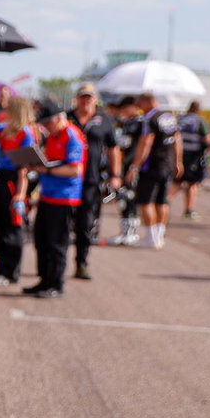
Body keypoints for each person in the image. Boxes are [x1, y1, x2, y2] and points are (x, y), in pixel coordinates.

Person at [25, 100, 86, 299]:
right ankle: (44, 280)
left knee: (56, 243)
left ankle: (56, 283)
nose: (45, 127)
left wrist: (46, 170)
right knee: (41, 240)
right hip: (48, 195)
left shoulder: (72, 136)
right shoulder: (53, 136)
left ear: (59, 119)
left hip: (64, 198)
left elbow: (75, 169)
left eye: (47, 122)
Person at [68, 83, 122, 279]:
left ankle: (81, 263)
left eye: (89, 97)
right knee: (63, 223)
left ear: (95, 99)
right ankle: (54, 266)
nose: (86, 101)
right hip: (66, 179)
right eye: (83, 97)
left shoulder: (103, 119)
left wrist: (115, 175)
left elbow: (113, 148)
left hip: (91, 180)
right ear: (76, 98)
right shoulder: (67, 118)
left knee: (85, 224)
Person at [0, 95, 35, 286]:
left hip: (13, 181)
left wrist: (20, 194)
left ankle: (10, 271)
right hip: (2, 178)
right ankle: (0, 268)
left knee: (11, 228)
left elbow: (23, 168)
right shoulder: (7, 130)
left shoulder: (25, 133)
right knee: (0, 226)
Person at [124, 92, 181, 248]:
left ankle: (151, 237)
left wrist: (135, 166)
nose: (139, 107)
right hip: (167, 164)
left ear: (147, 102)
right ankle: (159, 235)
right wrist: (178, 161)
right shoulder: (169, 117)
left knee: (146, 201)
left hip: (152, 165)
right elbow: (177, 140)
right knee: (162, 201)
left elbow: (146, 142)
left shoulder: (149, 119)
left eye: (140, 104)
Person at [175, 100, 210, 221]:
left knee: (176, 181)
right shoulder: (199, 120)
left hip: (179, 154)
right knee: (193, 183)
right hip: (194, 155)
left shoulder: (180, 119)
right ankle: (189, 210)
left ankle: (163, 203)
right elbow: (207, 139)